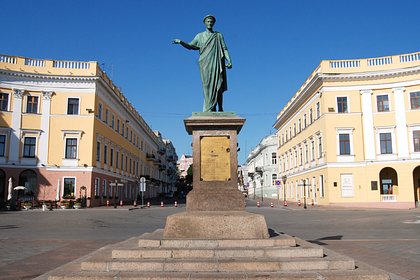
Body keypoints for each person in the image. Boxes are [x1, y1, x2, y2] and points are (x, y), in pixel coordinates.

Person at [173, 15, 232, 112]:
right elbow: (191, 45)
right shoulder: (199, 36)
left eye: (211, 21)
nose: (210, 23)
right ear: (204, 23)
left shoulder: (218, 35)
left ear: (214, 23)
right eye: (208, 21)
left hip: (217, 62)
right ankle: (210, 108)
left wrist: (229, 60)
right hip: (205, 64)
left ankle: (220, 107)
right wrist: (181, 42)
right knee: (207, 86)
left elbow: (224, 49)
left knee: (218, 84)